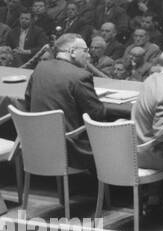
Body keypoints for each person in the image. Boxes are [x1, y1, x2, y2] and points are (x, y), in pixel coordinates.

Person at [24, 33, 108, 170]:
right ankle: (120, 188)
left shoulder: (40, 68)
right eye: (85, 51)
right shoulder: (80, 76)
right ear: (73, 52)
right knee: (119, 131)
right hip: (71, 149)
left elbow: (28, 102)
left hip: (36, 144)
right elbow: (97, 114)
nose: (89, 55)